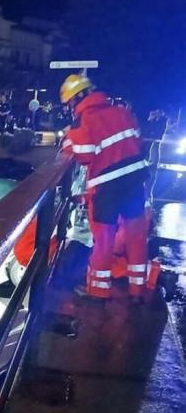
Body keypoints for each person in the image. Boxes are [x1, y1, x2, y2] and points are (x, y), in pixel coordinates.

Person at [59, 74, 150, 303]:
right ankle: (137, 292)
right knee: (136, 237)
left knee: (104, 241)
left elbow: (85, 155)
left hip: (106, 189)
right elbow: (137, 142)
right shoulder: (122, 111)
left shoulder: (82, 123)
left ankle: (98, 292)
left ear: (76, 99)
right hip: (135, 182)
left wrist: (69, 140)